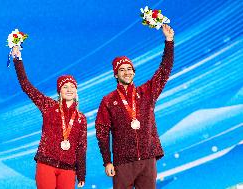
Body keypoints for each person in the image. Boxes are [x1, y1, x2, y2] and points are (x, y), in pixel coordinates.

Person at [95, 24, 174, 189]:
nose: (127, 72)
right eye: (122, 70)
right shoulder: (108, 100)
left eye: (130, 69)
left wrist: (169, 41)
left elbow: (164, 70)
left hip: (148, 157)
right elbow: (102, 133)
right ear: (116, 75)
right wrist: (107, 161)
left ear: (134, 72)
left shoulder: (147, 92)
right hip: (123, 161)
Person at [11, 46, 87, 189]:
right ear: (59, 92)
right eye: (65, 87)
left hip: (69, 168)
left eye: (72, 86)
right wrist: (17, 59)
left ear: (76, 91)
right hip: (46, 164)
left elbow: (82, 147)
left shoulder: (81, 118)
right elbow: (26, 85)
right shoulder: (49, 106)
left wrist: (81, 173)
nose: (69, 89)